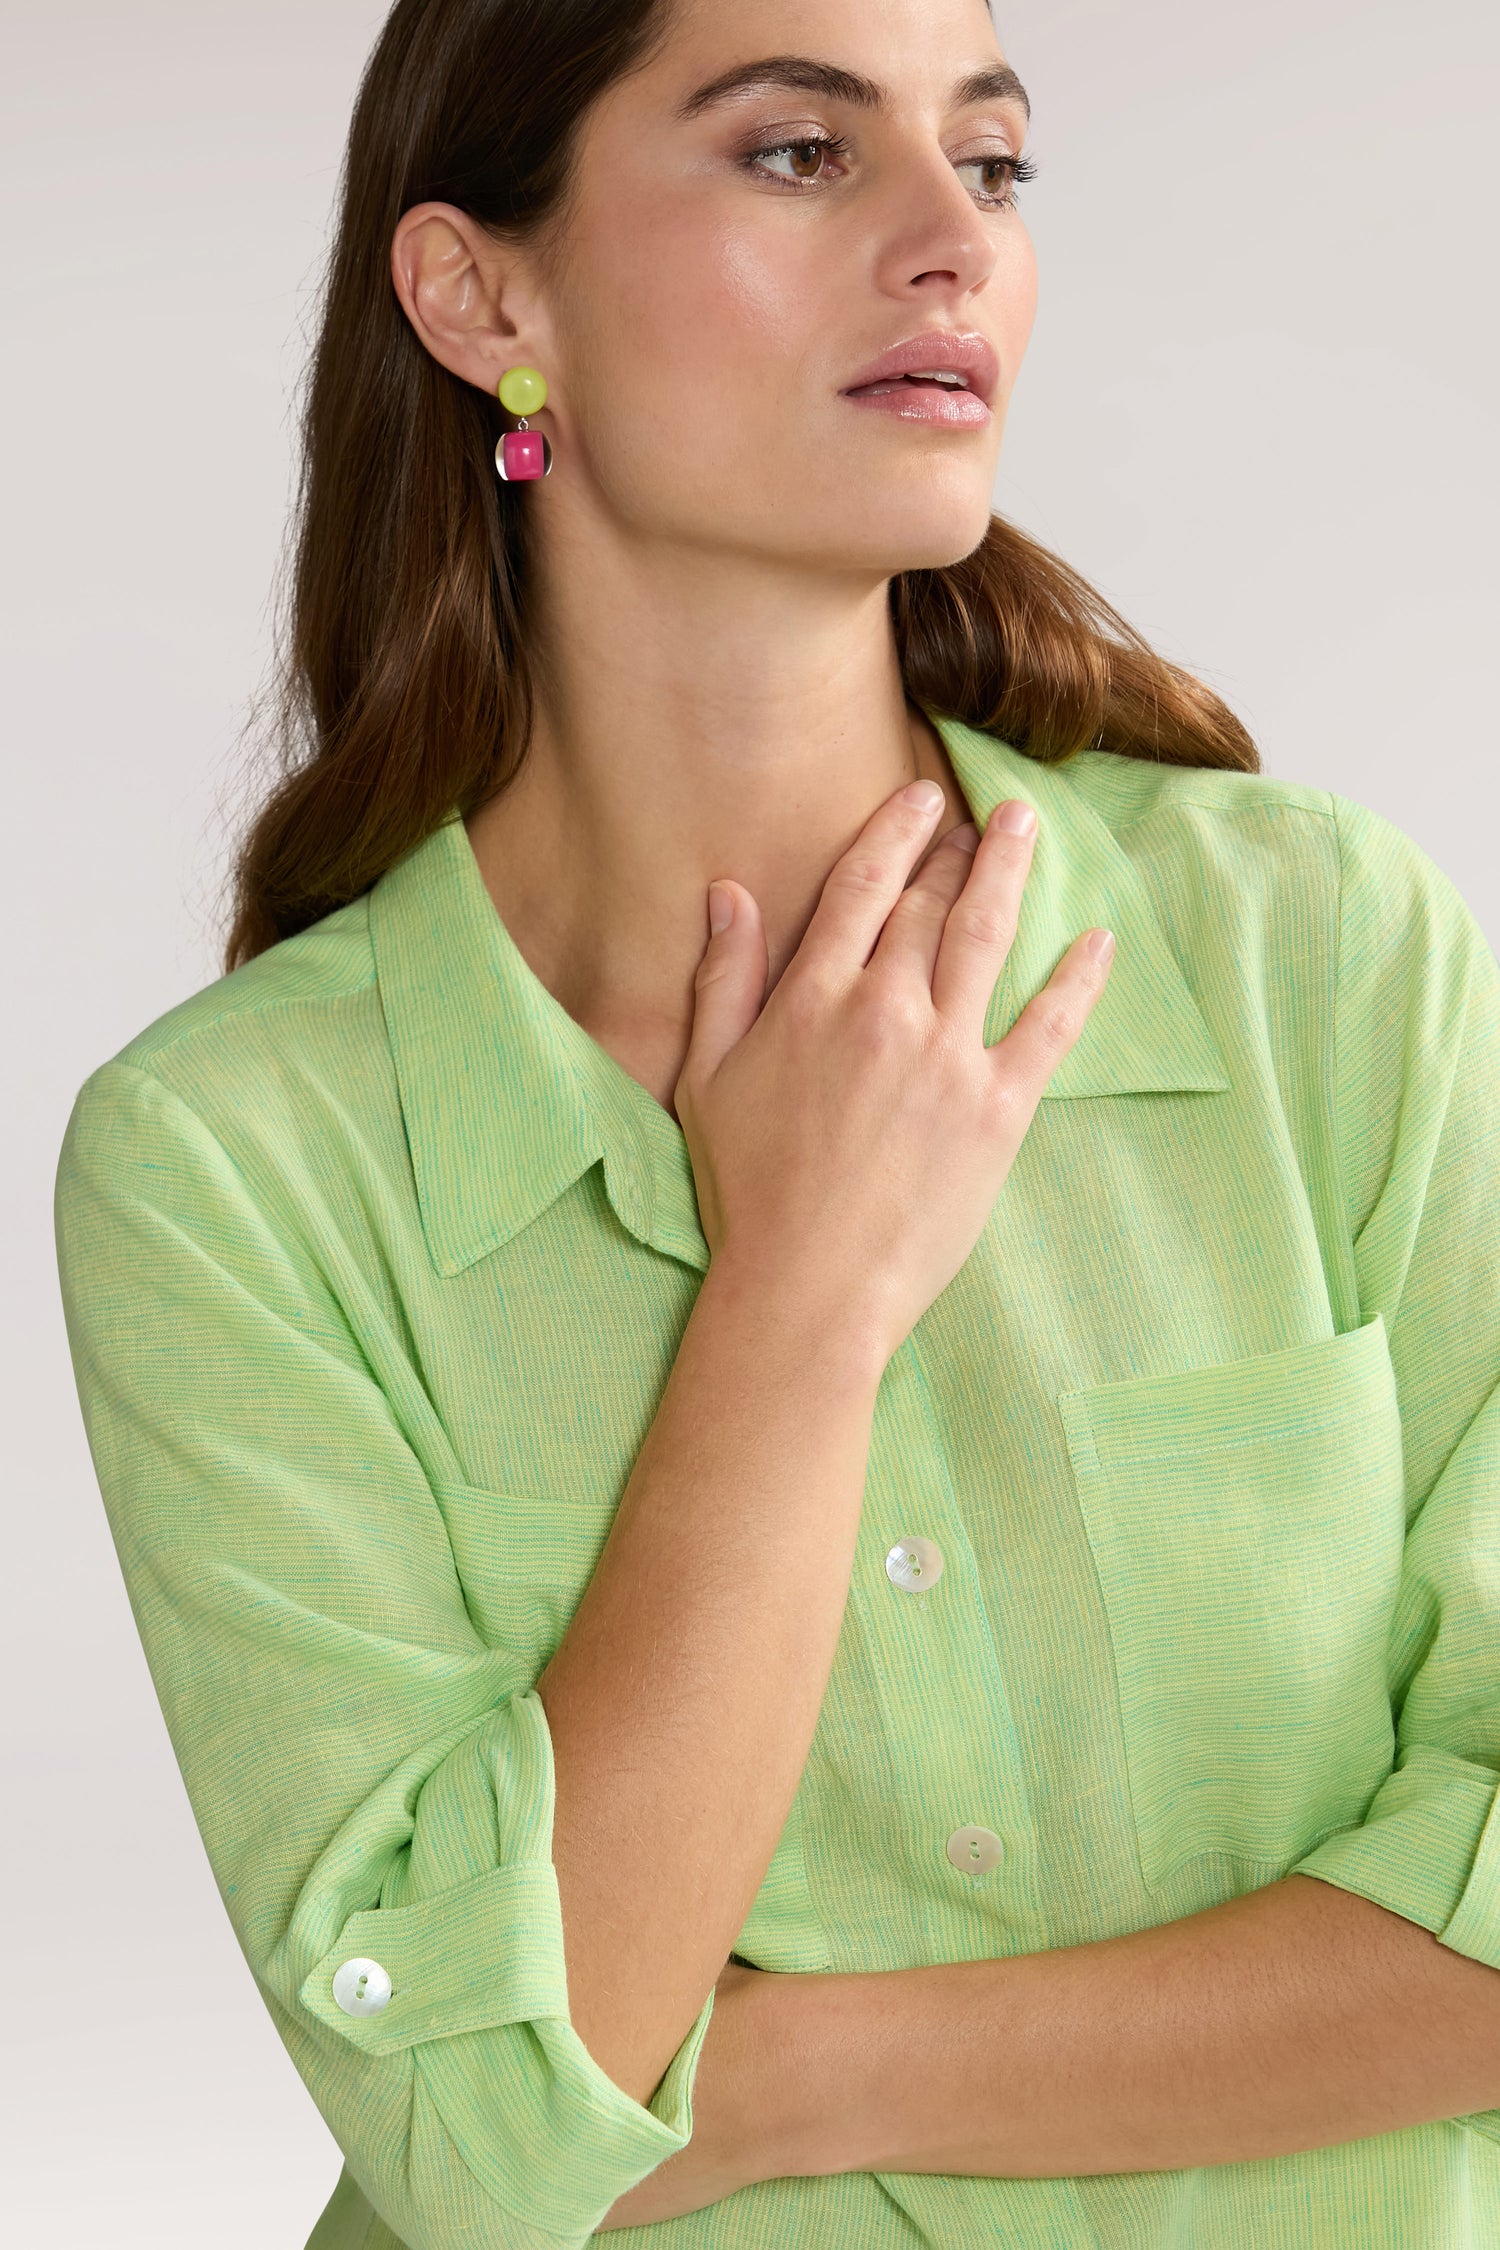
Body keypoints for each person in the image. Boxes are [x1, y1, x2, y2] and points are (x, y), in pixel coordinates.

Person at [52, 0, 1500, 2244]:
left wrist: (782, 2072)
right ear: (482, 297)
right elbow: (487, 2140)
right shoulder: (232, 1169)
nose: (953, 244)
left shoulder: (1321, 954)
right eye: (802, 155)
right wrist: (800, 1302)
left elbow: (567, 2092)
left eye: (994, 164)